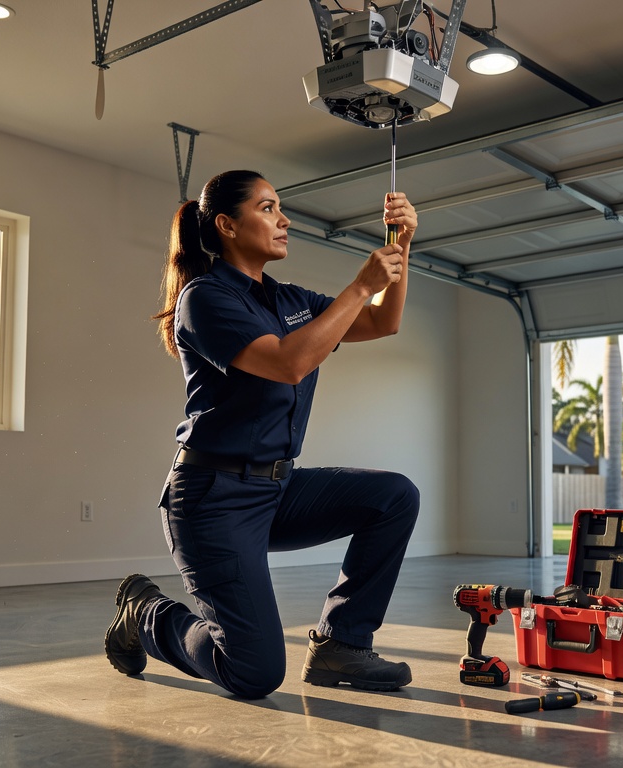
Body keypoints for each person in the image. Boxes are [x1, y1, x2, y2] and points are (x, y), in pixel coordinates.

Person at [104, 169, 421, 699]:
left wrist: (401, 247)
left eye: (280, 208)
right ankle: (148, 614)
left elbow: (381, 322)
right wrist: (361, 283)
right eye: (268, 208)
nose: (284, 219)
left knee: (393, 496)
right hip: (213, 501)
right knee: (253, 673)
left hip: (276, 489)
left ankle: (342, 642)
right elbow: (288, 363)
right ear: (227, 224)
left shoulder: (287, 299)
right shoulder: (203, 299)